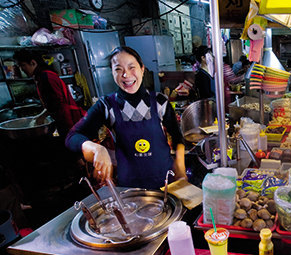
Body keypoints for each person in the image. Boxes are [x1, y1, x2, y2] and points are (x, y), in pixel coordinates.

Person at [65, 46, 186, 189]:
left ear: (142, 69)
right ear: (112, 72)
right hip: (130, 188)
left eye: (131, 67)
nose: (126, 75)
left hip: (165, 181)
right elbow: (72, 137)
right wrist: (97, 149)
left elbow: (177, 136)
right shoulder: (107, 106)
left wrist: (180, 164)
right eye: (118, 69)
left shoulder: (160, 102)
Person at [13, 49, 86, 139]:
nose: (21, 69)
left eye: (23, 65)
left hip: (69, 121)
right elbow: (52, 102)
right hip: (65, 120)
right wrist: (39, 116)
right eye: (19, 66)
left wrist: (41, 117)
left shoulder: (46, 77)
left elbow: (56, 103)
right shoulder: (41, 76)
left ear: (33, 63)